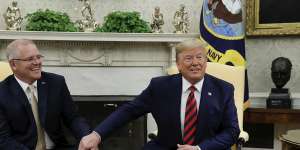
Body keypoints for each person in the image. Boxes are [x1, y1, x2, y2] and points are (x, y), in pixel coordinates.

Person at [79, 39, 240, 150]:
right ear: (177, 64)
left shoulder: (223, 90)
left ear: (206, 62)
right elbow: (128, 111)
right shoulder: (160, 87)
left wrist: (199, 148)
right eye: (188, 58)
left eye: (199, 57)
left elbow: (232, 131)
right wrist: (96, 135)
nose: (195, 63)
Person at [0, 39, 91, 150]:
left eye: (38, 57)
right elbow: (3, 139)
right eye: (30, 59)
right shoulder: (2, 93)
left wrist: (87, 137)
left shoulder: (56, 82)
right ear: (13, 64)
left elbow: (73, 118)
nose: (37, 62)